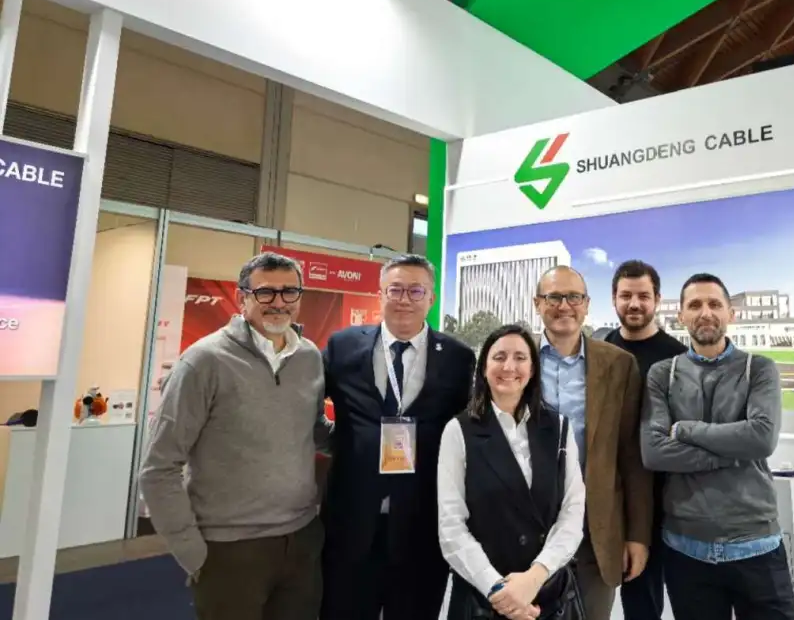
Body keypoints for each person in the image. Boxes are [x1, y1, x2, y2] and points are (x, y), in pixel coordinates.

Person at [140, 252, 327, 620]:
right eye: (265, 292)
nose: (278, 302)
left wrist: (372, 438)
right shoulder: (204, 361)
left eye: (289, 292)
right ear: (242, 297)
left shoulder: (309, 357)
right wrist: (191, 550)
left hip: (302, 540)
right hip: (229, 549)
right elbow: (158, 468)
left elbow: (315, 430)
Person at [321, 253, 475, 620]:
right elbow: (303, 403)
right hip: (351, 523)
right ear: (380, 294)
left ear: (431, 298)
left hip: (422, 527)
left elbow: (467, 432)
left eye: (416, 290)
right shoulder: (342, 347)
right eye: (395, 289)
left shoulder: (458, 358)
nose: (404, 299)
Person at [640, 273, 794, 620]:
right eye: (695, 305)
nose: (705, 312)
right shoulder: (662, 375)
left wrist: (688, 429)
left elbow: (761, 438)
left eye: (714, 304)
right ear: (681, 316)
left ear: (730, 313)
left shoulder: (760, 369)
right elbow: (654, 452)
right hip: (686, 548)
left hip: (755, 544)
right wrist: (731, 455)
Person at [438, 324, 586, 620]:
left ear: (532, 370)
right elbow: (451, 526)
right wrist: (500, 591)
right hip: (483, 597)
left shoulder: (558, 428)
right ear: (484, 368)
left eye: (520, 358)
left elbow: (572, 512)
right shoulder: (459, 430)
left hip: (547, 593)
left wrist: (534, 577)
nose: (509, 367)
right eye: (499, 357)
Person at [534, 265, 652, 620]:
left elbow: (632, 456)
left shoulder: (619, 365)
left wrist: (637, 535)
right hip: (526, 527)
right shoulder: (513, 357)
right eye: (554, 297)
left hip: (595, 531)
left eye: (574, 297)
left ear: (586, 304)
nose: (564, 306)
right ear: (538, 303)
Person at [600, 261, 685, 620]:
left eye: (643, 296)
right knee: (620, 597)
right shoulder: (601, 349)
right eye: (626, 296)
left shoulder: (678, 356)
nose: (634, 304)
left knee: (664, 597)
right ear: (614, 299)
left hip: (666, 498)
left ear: (657, 300)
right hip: (614, 494)